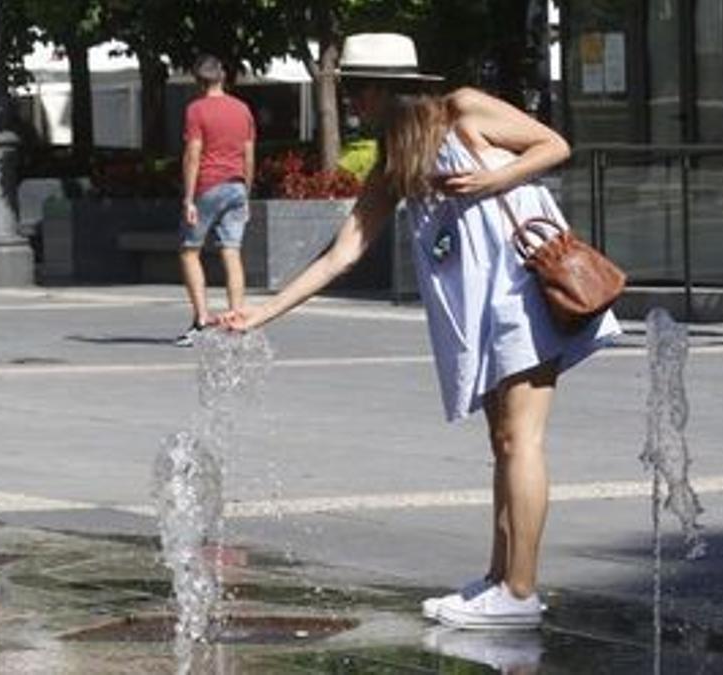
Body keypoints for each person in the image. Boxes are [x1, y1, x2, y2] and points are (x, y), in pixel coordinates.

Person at [215, 33, 620, 628]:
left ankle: (520, 591)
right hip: (480, 307)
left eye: (355, 89)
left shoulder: (462, 109)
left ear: (384, 89)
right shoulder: (394, 162)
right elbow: (343, 252)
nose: (351, 102)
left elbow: (553, 144)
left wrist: (491, 183)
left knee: (521, 439)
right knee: (502, 444)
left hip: (523, 293)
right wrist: (261, 313)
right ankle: (497, 578)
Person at [175, 54, 257, 347]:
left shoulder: (196, 110)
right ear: (222, 76)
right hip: (236, 186)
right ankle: (237, 320)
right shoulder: (242, 109)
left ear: (198, 81)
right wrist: (246, 192)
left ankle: (201, 321)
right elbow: (248, 154)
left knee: (189, 250)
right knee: (231, 252)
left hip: (209, 186)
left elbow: (193, 154)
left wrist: (188, 199)